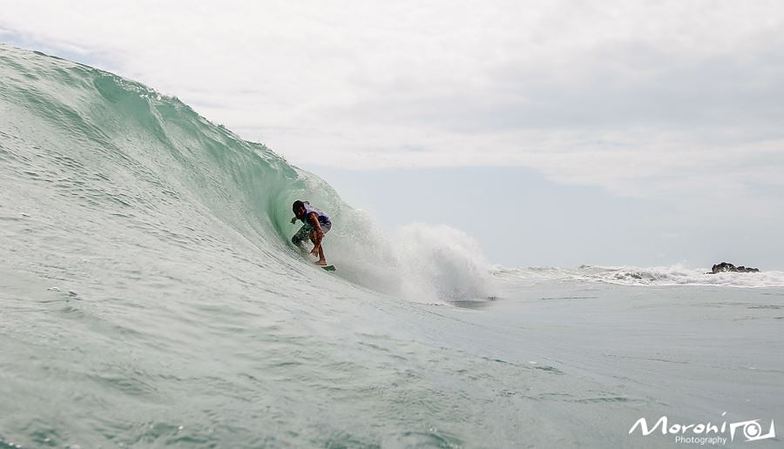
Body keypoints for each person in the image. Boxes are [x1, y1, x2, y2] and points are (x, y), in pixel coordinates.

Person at [290, 200, 332, 266]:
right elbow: (307, 202)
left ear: (303, 208)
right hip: (310, 223)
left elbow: (319, 231)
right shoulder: (302, 207)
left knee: (313, 234)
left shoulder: (311, 216)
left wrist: (317, 246)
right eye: (296, 212)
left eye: (300, 211)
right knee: (295, 240)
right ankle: (305, 253)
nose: (298, 214)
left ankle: (322, 259)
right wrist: (295, 218)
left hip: (324, 223)